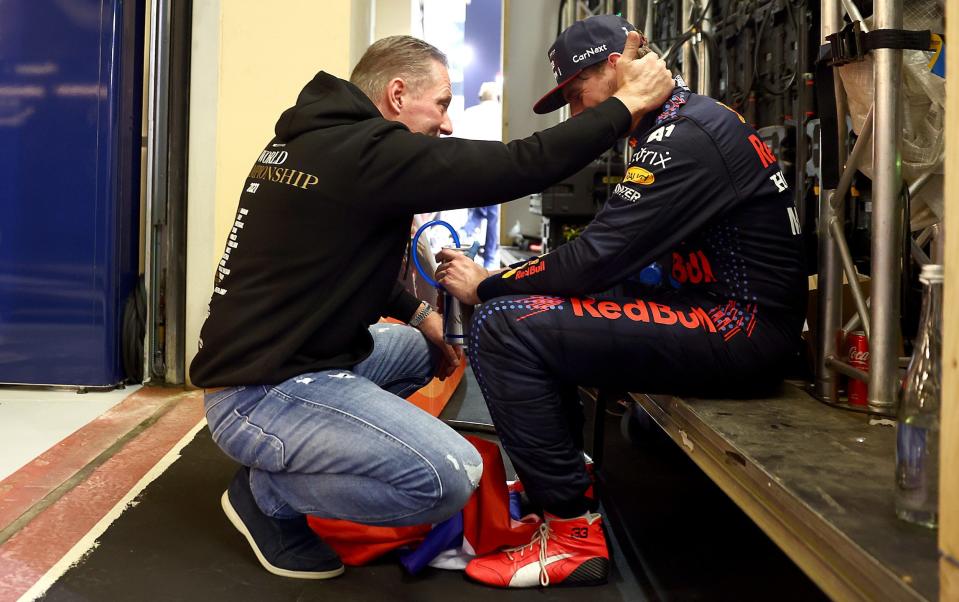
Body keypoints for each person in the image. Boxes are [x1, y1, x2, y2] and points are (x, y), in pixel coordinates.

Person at [189, 34, 674, 581]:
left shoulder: (320, 142)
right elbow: (520, 165)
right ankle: (270, 494)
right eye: (442, 104)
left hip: (284, 363)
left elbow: (336, 263)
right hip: (260, 395)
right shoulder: (366, 152)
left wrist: (421, 315)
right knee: (448, 477)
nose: (447, 123)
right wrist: (626, 106)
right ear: (397, 94)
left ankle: (310, 450)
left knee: (418, 350)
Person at [436, 14, 806, 588]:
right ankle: (554, 483)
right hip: (711, 311)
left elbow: (594, 260)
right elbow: (601, 262)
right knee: (531, 309)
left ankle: (570, 536)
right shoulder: (670, 124)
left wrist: (488, 284)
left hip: (745, 328)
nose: (577, 116)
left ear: (615, 66)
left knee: (504, 323)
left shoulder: (683, 135)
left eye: (579, 97)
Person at [456, 81, 504, 269]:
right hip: (496, 169)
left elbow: (460, 142)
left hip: (472, 169)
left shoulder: (469, 113)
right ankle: (490, 258)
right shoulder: (501, 113)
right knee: (492, 216)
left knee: (475, 210)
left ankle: (466, 245)